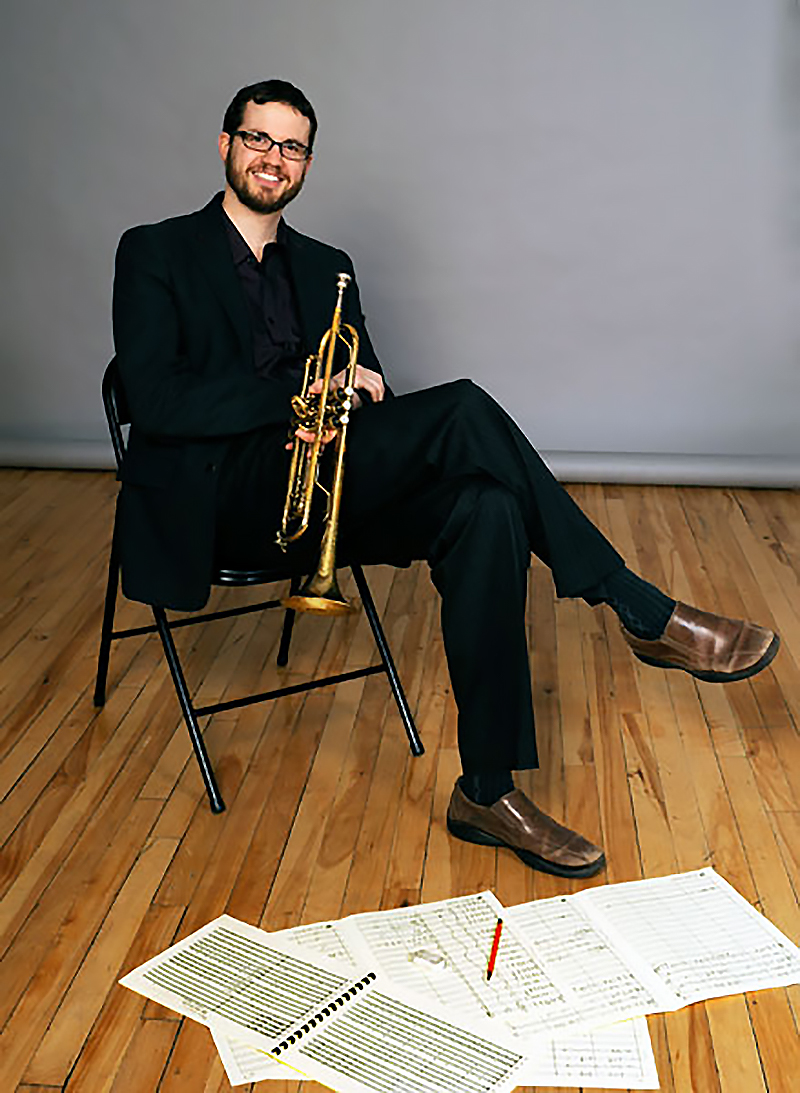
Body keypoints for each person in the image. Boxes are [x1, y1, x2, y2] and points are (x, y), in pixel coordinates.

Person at [112, 80, 780, 879]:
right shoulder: (154, 249)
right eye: (258, 139)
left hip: (326, 486)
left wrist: (355, 392)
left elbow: (371, 381)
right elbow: (155, 398)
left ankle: (487, 791)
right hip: (224, 495)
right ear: (225, 145)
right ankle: (638, 606)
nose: (273, 158)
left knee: (485, 506)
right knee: (462, 407)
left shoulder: (328, 266)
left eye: (291, 147)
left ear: (307, 164)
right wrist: (295, 399)